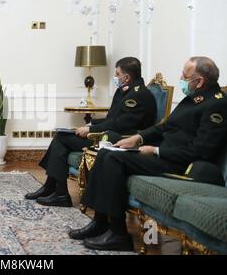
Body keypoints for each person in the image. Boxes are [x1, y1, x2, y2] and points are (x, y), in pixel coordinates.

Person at [70, 57, 227, 251]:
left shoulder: (216, 105)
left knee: (113, 159)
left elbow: (201, 151)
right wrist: (138, 138)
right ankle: (100, 222)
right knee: (107, 152)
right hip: (163, 154)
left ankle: (119, 235)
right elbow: (164, 128)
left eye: (184, 76)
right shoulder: (192, 98)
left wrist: (156, 150)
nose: (181, 79)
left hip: (181, 164)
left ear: (200, 81)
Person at [25, 57, 157, 207]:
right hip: (112, 133)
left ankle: (58, 192)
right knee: (62, 135)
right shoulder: (125, 91)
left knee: (62, 138)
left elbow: (120, 125)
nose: (115, 77)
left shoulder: (138, 95)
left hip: (120, 140)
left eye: (117, 74)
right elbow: (112, 119)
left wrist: (90, 129)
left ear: (126, 77)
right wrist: (92, 122)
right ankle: (53, 189)